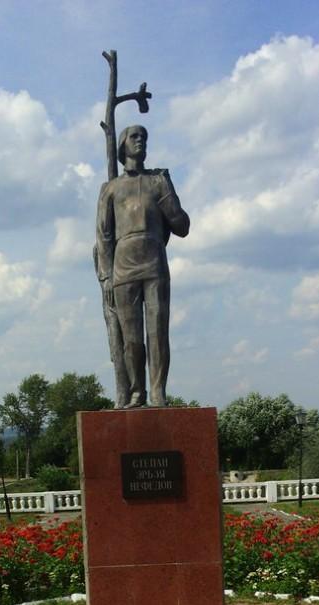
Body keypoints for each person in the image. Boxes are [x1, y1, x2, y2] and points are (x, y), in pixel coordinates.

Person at [96, 125, 190, 408]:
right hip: (123, 265)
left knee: (158, 331)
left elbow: (182, 226)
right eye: (135, 137)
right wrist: (106, 277)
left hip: (154, 261)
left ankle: (158, 390)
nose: (141, 141)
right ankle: (138, 391)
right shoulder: (110, 188)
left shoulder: (158, 182)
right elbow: (104, 236)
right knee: (132, 338)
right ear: (123, 144)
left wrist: (167, 191)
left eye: (144, 137)